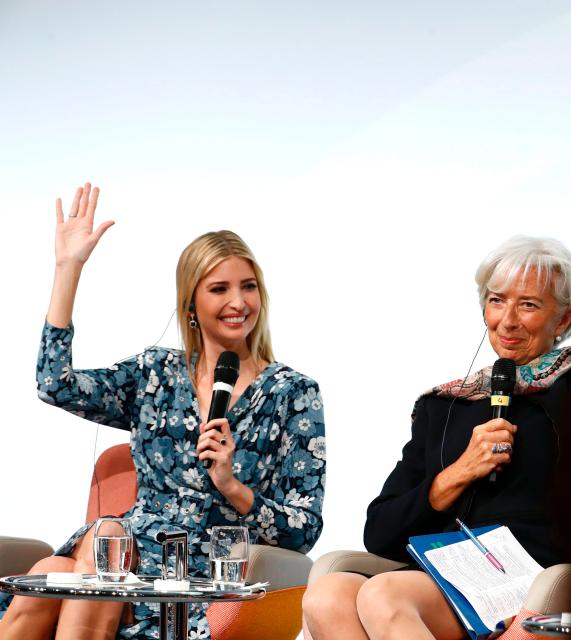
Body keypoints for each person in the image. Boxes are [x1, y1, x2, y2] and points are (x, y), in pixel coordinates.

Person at [302, 44, 571, 640]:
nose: (508, 319)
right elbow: (379, 531)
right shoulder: (444, 405)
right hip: (443, 570)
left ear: (564, 319)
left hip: (537, 579)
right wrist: (455, 475)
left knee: (384, 594)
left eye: (529, 303)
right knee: (330, 590)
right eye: (497, 301)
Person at [0, 186, 326, 640]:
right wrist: (67, 269)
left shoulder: (293, 394)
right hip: (124, 555)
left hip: (199, 579)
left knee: (69, 568)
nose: (238, 303)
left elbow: (304, 530)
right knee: (61, 565)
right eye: (219, 289)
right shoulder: (156, 372)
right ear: (190, 303)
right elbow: (55, 385)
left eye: (248, 287)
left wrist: (232, 486)